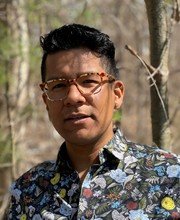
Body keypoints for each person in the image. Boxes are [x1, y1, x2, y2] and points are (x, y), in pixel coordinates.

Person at [7, 23, 179, 220]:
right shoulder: (28, 191)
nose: (73, 97)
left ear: (117, 94)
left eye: (88, 81)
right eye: (59, 85)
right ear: (46, 101)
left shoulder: (169, 177)